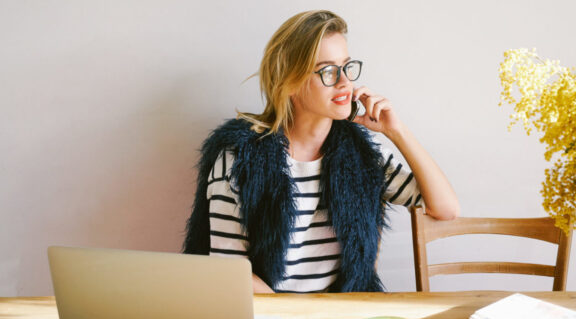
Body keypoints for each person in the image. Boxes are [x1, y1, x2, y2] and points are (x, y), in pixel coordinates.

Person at [183, 10, 458, 293]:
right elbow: (230, 269)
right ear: (289, 82)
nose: (344, 83)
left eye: (347, 67)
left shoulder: (362, 154)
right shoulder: (238, 159)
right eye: (327, 71)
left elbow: (446, 209)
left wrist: (397, 131)